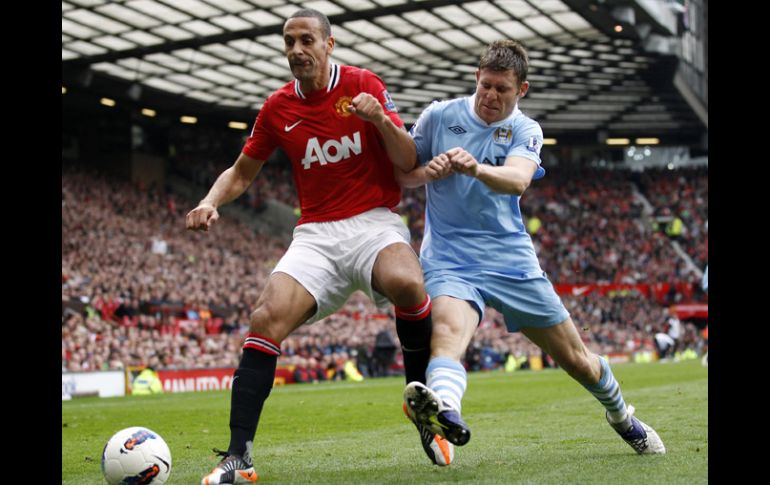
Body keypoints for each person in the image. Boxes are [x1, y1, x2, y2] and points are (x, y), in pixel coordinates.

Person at [186, 9, 442, 484]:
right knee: (265, 318)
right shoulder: (277, 107)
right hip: (317, 234)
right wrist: (210, 201)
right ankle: (239, 457)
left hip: (373, 222)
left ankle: (423, 407)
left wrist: (379, 118)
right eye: (289, 41)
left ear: (329, 44)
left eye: (307, 40)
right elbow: (242, 171)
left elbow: (408, 159)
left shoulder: (363, 83)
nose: (297, 50)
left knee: (408, 283)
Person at [396, 39, 665, 465]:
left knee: (578, 361)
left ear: (521, 89)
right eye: (485, 85)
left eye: (502, 89)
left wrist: (475, 168)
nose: (490, 95)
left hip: (511, 260)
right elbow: (404, 174)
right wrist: (427, 171)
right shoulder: (439, 116)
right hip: (449, 257)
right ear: (476, 78)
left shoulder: (526, 130)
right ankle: (446, 410)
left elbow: (519, 179)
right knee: (447, 333)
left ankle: (621, 417)